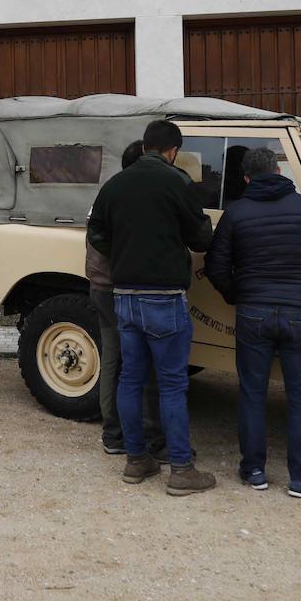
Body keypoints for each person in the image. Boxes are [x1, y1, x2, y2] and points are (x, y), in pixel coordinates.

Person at [204, 147, 301, 498]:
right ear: (280, 169)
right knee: (300, 397)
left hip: (253, 311)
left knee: (252, 394)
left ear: (246, 177)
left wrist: (236, 294)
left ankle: (254, 471)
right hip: (300, 313)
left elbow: (215, 265)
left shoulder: (236, 212)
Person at [87, 120, 215, 495]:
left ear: (145, 147)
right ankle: (180, 469)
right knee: (172, 384)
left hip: (124, 295)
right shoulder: (178, 183)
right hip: (164, 296)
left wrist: (125, 253)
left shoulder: (115, 185)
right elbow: (202, 238)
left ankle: (136, 460)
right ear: (173, 151)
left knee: (130, 378)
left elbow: (96, 233)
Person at [87, 140, 165, 459]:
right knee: (139, 364)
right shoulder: (129, 198)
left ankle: (112, 433)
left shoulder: (106, 194)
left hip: (98, 285)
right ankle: (146, 433)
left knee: (111, 360)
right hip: (121, 287)